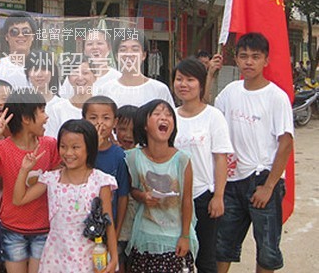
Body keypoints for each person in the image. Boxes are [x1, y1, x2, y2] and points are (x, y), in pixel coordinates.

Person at [214, 33, 294, 273]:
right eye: (244, 56)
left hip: (262, 180)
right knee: (222, 245)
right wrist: (210, 75)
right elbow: (210, 116)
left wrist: (269, 186)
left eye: (255, 57)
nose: (249, 62)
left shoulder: (276, 97)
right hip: (232, 181)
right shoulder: (229, 92)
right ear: (236, 59)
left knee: (267, 250)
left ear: (265, 61)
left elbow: (286, 143)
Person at [0, 90, 62, 273]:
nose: (46, 117)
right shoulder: (2, 148)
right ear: (26, 118)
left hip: (43, 228)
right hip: (12, 229)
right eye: (41, 111)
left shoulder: (50, 145)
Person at [13, 119, 119, 273]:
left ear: (89, 148)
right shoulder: (51, 179)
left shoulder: (101, 181)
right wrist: (24, 170)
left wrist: (114, 257)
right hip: (55, 258)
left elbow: (108, 222)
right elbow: (19, 199)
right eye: (63, 147)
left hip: (88, 259)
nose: (68, 153)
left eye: (75, 147)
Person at [173, 58, 233, 273]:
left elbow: (220, 159)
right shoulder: (169, 116)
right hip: (174, 198)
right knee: (176, 255)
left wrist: (218, 196)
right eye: (179, 79)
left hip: (203, 196)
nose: (184, 84)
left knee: (206, 259)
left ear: (200, 83)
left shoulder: (213, 116)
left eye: (190, 80)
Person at [125, 99, 198, 272]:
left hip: (174, 237)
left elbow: (187, 201)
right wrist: (143, 197)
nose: (164, 118)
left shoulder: (182, 160)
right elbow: (132, 190)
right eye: (157, 114)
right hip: (145, 235)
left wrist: (185, 236)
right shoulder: (133, 158)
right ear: (144, 125)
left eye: (168, 115)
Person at [82, 96, 130, 252]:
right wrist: (92, 147)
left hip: (107, 226)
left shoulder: (118, 155)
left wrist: (116, 232)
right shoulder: (79, 151)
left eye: (106, 118)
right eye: (93, 118)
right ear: (84, 120)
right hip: (78, 224)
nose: (99, 123)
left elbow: (123, 196)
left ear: (115, 122)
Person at [97, 35, 174, 108]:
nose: (129, 54)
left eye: (135, 49)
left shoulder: (159, 90)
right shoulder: (105, 90)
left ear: (144, 55)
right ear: (117, 56)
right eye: (123, 50)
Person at [59, 29, 121, 98]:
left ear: (109, 48)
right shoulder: (75, 78)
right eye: (89, 44)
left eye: (99, 43)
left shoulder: (117, 78)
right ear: (84, 50)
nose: (94, 47)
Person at [114, 105, 139, 273]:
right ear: (115, 127)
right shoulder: (112, 152)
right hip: (118, 222)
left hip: (137, 221)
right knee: (118, 259)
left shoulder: (142, 154)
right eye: (123, 129)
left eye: (133, 129)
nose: (128, 135)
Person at [46, 56, 96, 138]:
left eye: (85, 73)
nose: (80, 78)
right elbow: (51, 141)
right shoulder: (57, 109)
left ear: (94, 77)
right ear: (68, 78)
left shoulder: (102, 108)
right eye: (75, 73)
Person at [0, 12, 37, 89]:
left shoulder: (43, 67)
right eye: (14, 32)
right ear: (7, 37)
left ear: (33, 36)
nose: (20, 35)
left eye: (26, 32)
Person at [25, 49, 62, 135]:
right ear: (28, 73)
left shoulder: (62, 105)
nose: (39, 74)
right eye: (34, 69)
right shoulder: (22, 104)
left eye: (44, 69)